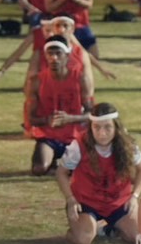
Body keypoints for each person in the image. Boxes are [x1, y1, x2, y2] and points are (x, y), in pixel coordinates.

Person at [57, 102, 141, 244]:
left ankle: (107, 228)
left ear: (116, 127)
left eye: (107, 127)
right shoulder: (79, 145)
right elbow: (61, 172)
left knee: (138, 236)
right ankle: (80, 227)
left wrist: (135, 196)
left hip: (118, 202)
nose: (102, 133)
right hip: (86, 202)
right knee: (83, 240)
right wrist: (70, 199)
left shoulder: (128, 145)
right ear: (90, 127)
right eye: (96, 127)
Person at [24, 36, 95, 176]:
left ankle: (65, 166)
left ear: (67, 55)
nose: (54, 58)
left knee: (87, 171)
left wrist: (70, 118)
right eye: (50, 54)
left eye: (58, 54)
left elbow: (92, 115)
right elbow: (30, 118)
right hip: (49, 136)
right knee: (39, 169)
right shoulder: (36, 81)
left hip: (74, 136)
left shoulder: (80, 79)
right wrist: (46, 120)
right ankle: (62, 166)